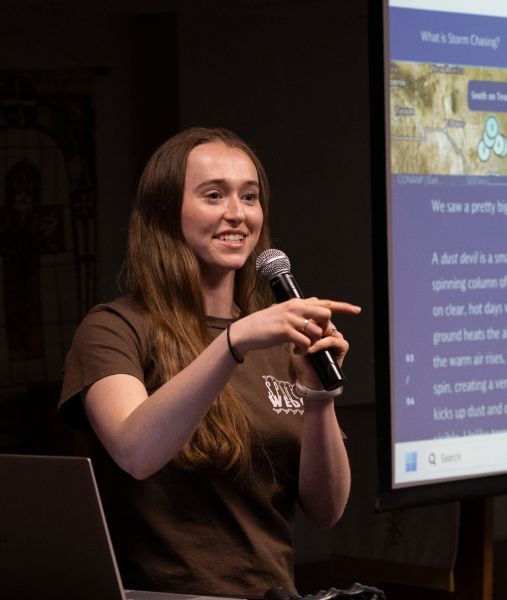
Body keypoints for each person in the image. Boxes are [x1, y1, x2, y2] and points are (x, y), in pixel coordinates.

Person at [58, 127, 360, 597]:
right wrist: (231, 342)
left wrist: (319, 396)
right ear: (164, 210)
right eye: (214, 195)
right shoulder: (114, 329)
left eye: (250, 197)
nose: (237, 215)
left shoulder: (279, 337)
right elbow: (136, 453)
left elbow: (327, 510)